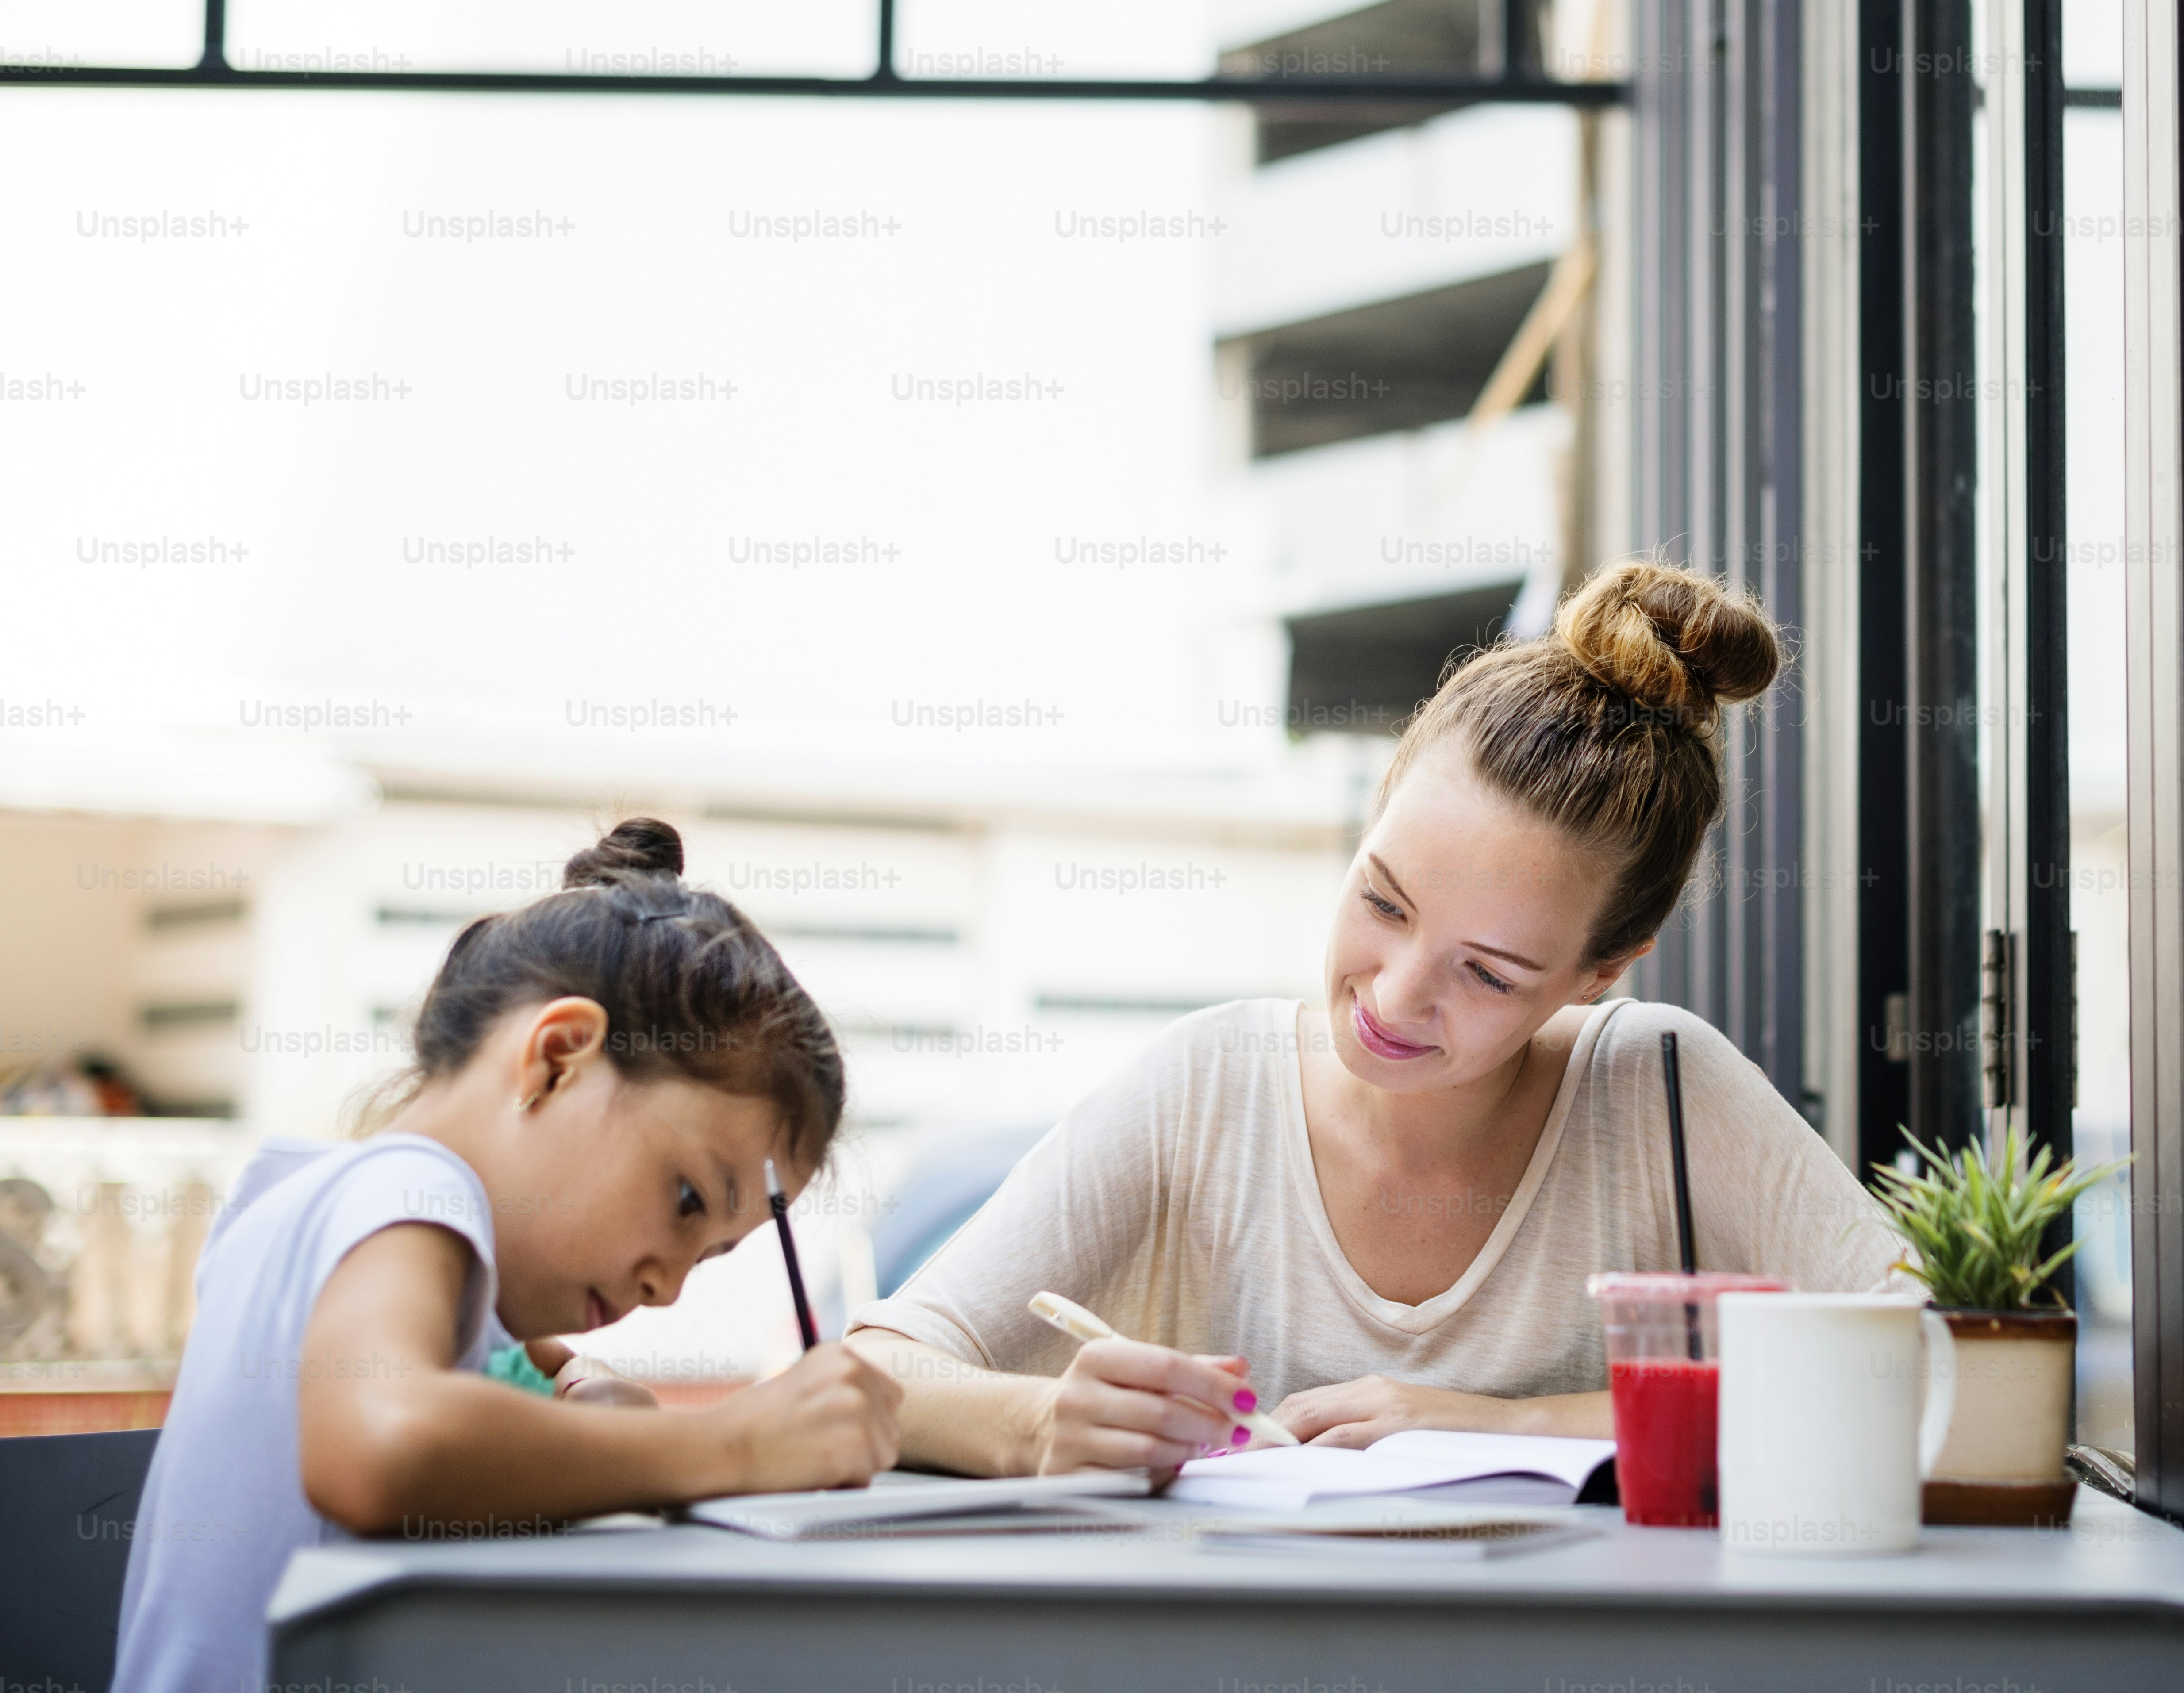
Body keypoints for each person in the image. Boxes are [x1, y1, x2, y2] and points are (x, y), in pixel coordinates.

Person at [847, 560, 1899, 1476]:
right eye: (1383, 903)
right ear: (1368, 821)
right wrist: (1039, 1420)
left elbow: (1931, 1367)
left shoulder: (1659, 1089)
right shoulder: (1206, 1087)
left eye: (1486, 973)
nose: (1392, 997)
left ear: (1599, 972)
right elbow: (870, 1369)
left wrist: (1501, 1423)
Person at [112, 819, 901, 1693]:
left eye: (711, 1256)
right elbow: (381, 1445)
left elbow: (511, 1366)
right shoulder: (413, 1189)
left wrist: (584, 1391)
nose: (667, 1287)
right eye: (686, 1199)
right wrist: (734, 1444)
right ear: (557, 1061)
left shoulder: (325, 1200)